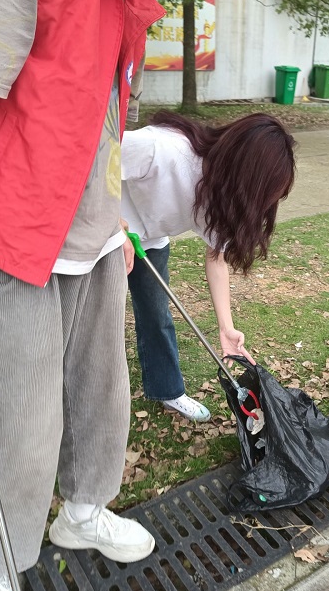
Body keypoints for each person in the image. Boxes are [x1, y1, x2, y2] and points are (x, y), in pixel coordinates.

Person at [0, 0, 166, 591]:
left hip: (93, 239)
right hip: (10, 238)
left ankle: (82, 514)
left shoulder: (124, 5)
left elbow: (99, 115)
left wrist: (114, 222)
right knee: (23, 426)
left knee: (101, 397)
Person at [120, 111, 297, 422]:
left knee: (156, 315)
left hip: (149, 240)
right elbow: (89, 166)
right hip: (104, 236)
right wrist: (112, 225)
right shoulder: (160, 149)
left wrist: (226, 328)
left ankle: (167, 391)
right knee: (98, 326)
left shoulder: (219, 191)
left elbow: (216, 256)